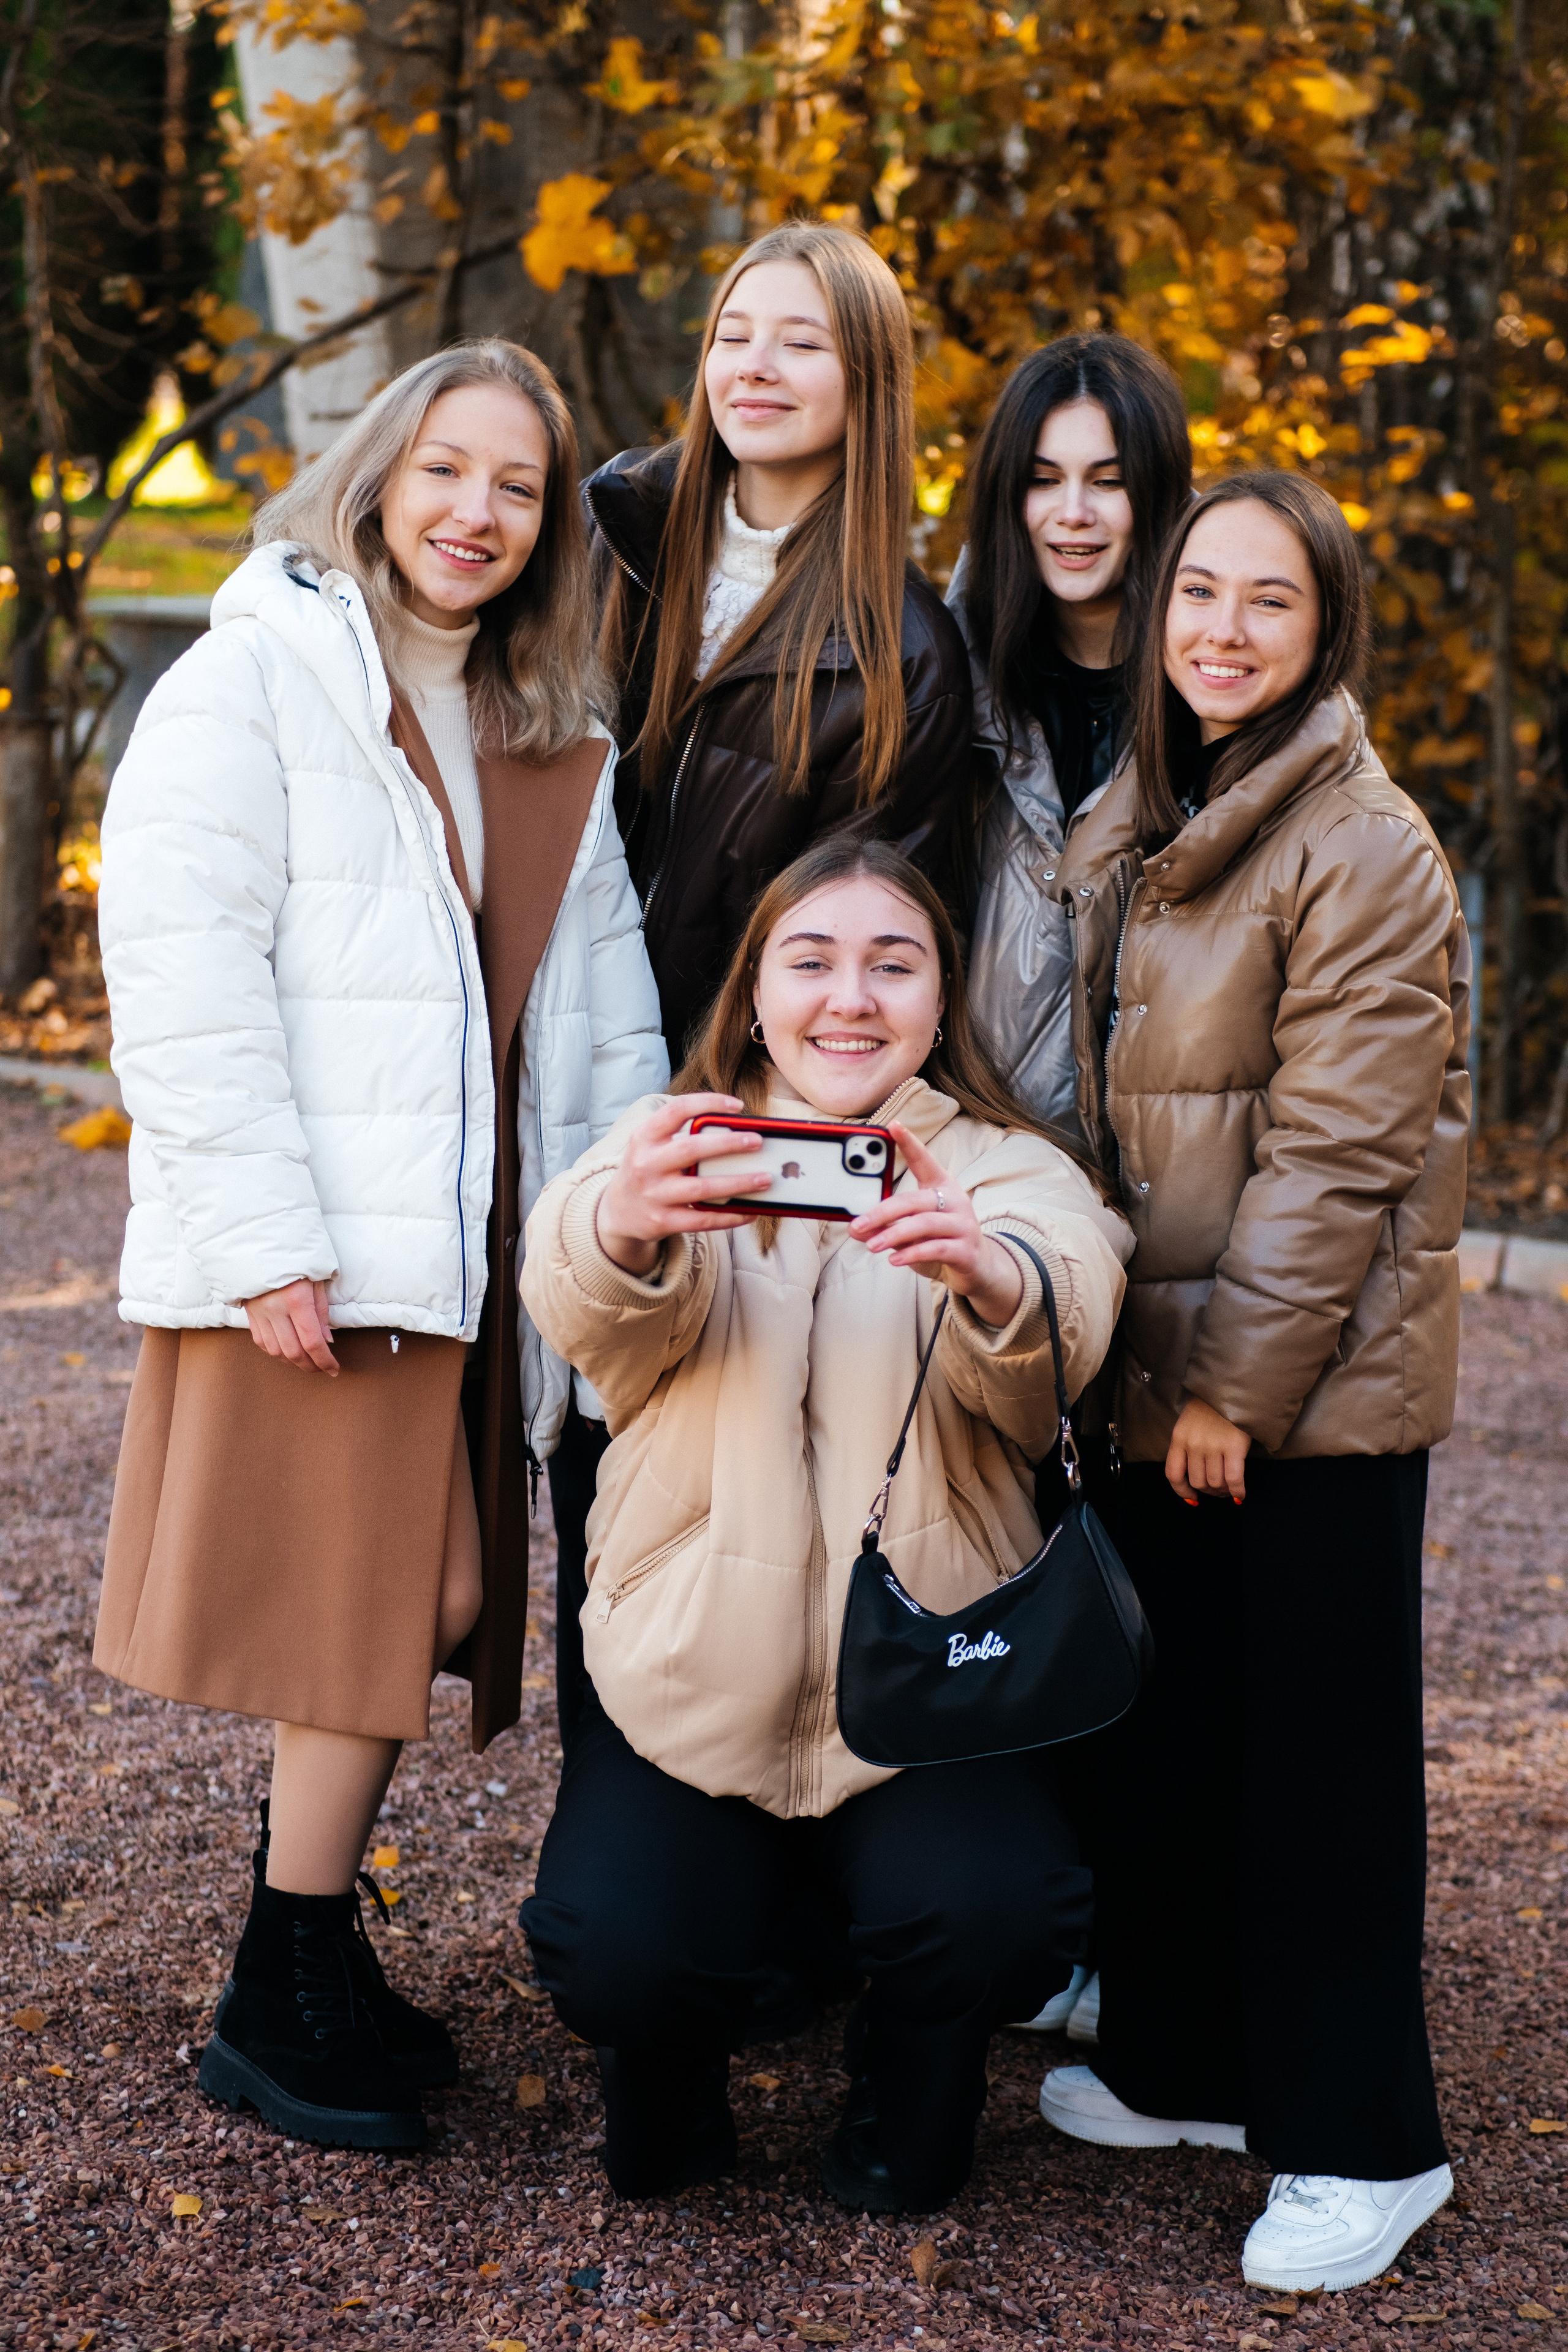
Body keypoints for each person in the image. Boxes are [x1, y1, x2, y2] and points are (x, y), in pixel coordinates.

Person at [92, 339, 666, 2152]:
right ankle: (282, 1981)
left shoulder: (549, 732)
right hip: (330, 1250)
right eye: (446, 471)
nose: (476, 513)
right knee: (378, 1611)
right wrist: (264, 1228)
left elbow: (611, 1024)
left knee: (424, 1601)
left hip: (476, 1258)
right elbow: (179, 973)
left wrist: (613, 1240)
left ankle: (306, 1943)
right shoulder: (253, 680)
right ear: (377, 475)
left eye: (516, 485)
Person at [518, 833, 1133, 2214]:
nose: (848, 997)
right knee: (612, 1950)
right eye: (811, 961)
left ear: (935, 999)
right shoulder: (671, 1144)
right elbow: (582, 1307)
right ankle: (668, 2095)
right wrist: (622, 1229)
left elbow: (1066, 1320)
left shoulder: (996, 1168)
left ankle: (908, 2088)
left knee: (1001, 1919)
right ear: (751, 994)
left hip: (926, 1691)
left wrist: (987, 1274)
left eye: (889, 965)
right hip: (694, 1675)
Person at [1038, 471, 1469, 2291]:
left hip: (1302, 1391)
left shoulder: (1364, 844)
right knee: (1180, 1730)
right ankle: (1189, 2062)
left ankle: (1369, 2148)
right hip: (1162, 1371)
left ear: (1324, 634)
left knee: (1320, 1771)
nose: (1219, 627)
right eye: (1195, 591)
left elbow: (1340, 1158)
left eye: (1265, 603)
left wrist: (1236, 1390)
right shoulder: (1156, 806)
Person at [555, 220, 973, 1746]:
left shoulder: (904, 648)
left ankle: (707, 1851)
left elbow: (859, 939)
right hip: (540, 1057)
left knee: (668, 1443)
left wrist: (731, 1120)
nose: (758, 367)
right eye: (737, 332)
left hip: (709, 1108)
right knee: (544, 1442)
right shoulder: (598, 537)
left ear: (867, 383)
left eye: (802, 340)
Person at [948, 331, 1191, 1132]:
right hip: (984, 1166)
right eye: (1043, 480)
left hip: (1175, 1174)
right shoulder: (942, 681)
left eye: (1109, 482)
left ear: (1155, 495)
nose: (1074, 514)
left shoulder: (1221, 704)